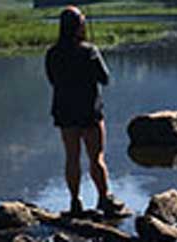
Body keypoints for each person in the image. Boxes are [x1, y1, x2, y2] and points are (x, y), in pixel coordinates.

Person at [45, 6, 127, 216]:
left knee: (71, 158)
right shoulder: (89, 51)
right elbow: (105, 78)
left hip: (64, 112)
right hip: (89, 111)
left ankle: (74, 202)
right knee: (96, 157)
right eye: (82, 21)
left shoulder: (52, 53)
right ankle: (103, 199)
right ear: (79, 26)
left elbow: (53, 80)